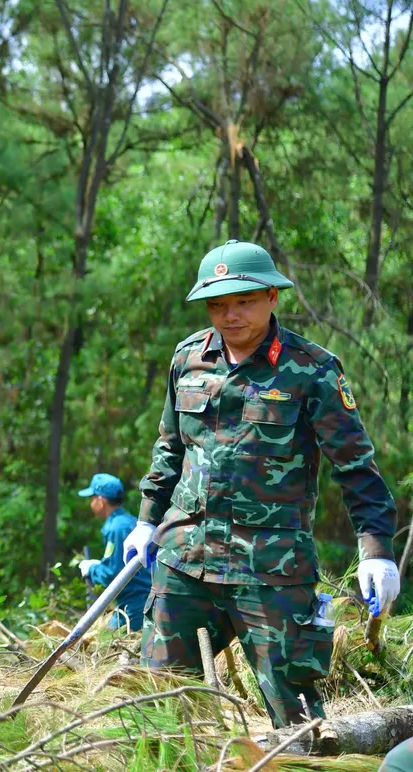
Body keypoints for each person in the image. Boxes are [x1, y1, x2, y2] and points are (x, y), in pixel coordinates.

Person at [125, 239, 398, 728]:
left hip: (270, 572)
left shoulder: (311, 370)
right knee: (162, 712)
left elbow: (356, 468)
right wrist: (146, 521)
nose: (230, 315)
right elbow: (169, 447)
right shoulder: (188, 360)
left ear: (273, 297)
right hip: (184, 564)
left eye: (244, 301)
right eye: (218, 304)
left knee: (295, 722)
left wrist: (376, 548)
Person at [76, 472, 150, 631]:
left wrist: (92, 569)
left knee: (103, 640)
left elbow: (112, 574)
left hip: (134, 606)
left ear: (101, 501)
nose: (90, 503)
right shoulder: (129, 521)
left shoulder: (117, 528)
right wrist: (100, 564)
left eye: (92, 498)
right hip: (144, 600)